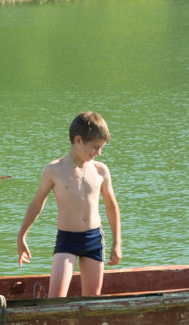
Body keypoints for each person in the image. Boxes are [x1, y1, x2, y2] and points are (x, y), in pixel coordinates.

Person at [17, 112, 122, 297]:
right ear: (78, 140)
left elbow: (112, 207)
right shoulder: (54, 170)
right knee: (55, 299)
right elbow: (36, 204)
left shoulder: (101, 170)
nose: (99, 153)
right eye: (95, 147)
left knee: (91, 302)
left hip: (93, 239)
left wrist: (117, 243)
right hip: (67, 240)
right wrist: (22, 236)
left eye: (101, 148)